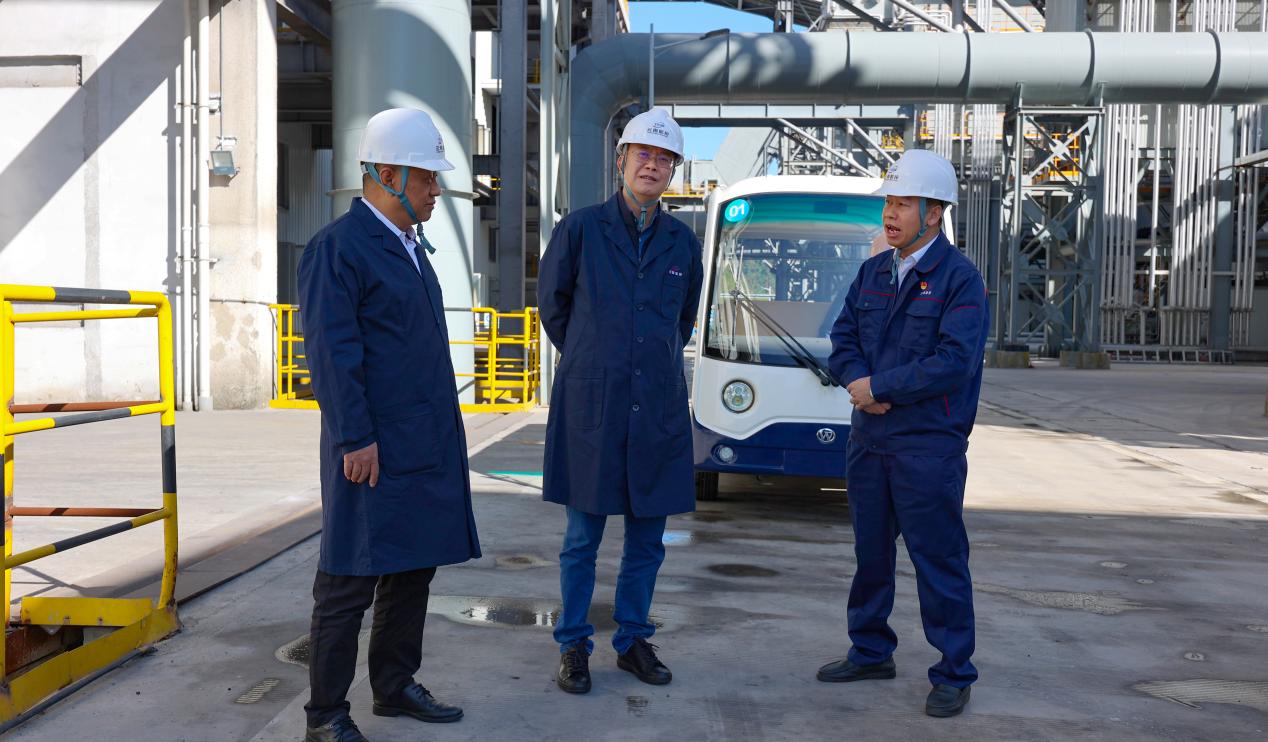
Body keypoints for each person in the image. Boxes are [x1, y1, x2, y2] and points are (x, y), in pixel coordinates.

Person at [297, 107, 481, 742]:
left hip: (421, 444)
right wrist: (355, 438)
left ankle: (394, 684)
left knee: (412, 568)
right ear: (387, 174)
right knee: (349, 579)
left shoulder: (409, 248)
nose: (436, 190)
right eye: (428, 178)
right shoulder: (338, 248)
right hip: (371, 449)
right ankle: (325, 715)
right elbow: (332, 354)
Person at [537, 108, 704, 695]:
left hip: (655, 406)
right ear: (621, 161)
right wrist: (596, 359)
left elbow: (683, 319)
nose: (652, 166)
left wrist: (642, 365)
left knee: (647, 539)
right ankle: (573, 644)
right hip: (594, 406)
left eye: (664, 159)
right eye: (643, 155)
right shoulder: (580, 230)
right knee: (581, 538)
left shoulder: (683, 243)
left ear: (673, 171)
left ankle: (632, 639)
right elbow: (553, 307)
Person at [820, 148, 989, 718]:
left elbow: (953, 362)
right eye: (888, 203)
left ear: (934, 213)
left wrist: (880, 386)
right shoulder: (874, 272)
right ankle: (871, 651)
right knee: (870, 555)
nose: (889, 215)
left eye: (901, 204)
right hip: (869, 442)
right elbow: (842, 336)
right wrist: (857, 381)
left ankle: (954, 671)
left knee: (938, 560)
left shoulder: (960, 280)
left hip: (927, 447)